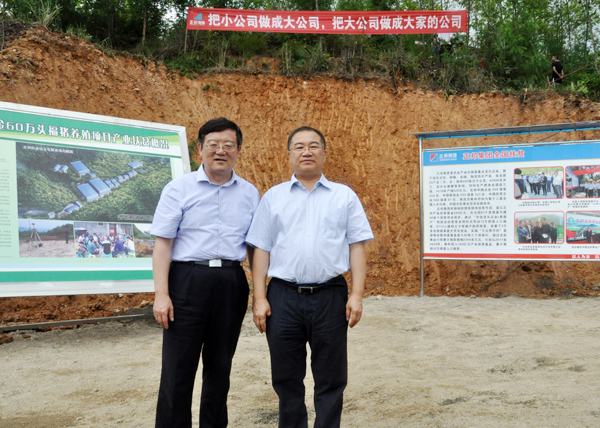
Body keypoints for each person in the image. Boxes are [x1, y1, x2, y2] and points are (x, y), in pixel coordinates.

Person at [247, 126, 374, 428]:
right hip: (283, 297)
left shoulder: (344, 196)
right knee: (286, 376)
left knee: (331, 376)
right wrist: (260, 298)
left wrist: (356, 295)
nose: (307, 152)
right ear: (289, 154)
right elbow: (261, 249)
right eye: (299, 146)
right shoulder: (274, 197)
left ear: (324, 153)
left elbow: (357, 246)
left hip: (330, 295)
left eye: (314, 146)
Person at [151, 117, 260, 428]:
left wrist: (260, 293)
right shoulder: (178, 189)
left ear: (238, 150)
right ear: (200, 149)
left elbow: (255, 248)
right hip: (187, 281)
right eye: (213, 144)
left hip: (231, 282)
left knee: (220, 368)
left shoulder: (249, 193)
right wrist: (161, 295)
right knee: (178, 369)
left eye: (228, 145)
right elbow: (163, 244)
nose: (220, 151)